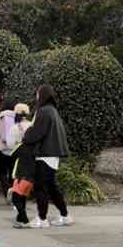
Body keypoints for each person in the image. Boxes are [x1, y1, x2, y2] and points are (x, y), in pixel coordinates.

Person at [21, 85, 73, 228]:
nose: (36, 97)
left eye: (37, 94)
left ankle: (42, 219)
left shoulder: (43, 111)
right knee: (51, 187)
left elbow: (36, 133)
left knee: (41, 188)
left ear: (42, 95)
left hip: (44, 154)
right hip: (52, 154)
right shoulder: (53, 111)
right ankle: (65, 215)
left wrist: (26, 134)